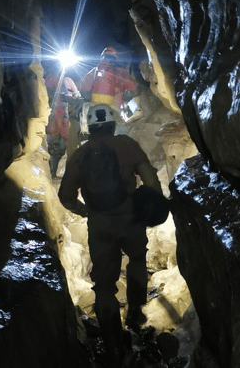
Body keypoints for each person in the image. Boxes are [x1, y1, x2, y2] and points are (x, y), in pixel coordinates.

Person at [58, 104, 162, 366]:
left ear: (89, 128)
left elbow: (66, 197)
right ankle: (135, 314)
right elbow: (150, 179)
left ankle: (113, 345)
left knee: (104, 284)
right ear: (113, 124)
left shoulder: (80, 155)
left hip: (100, 223)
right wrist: (150, 202)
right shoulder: (126, 145)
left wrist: (86, 212)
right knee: (137, 259)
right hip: (130, 217)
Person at [80, 47, 139, 119]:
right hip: (113, 111)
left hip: (94, 108)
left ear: (102, 58)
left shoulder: (94, 71)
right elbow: (136, 91)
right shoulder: (122, 73)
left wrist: (93, 95)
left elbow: (83, 92)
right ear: (116, 59)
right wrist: (123, 93)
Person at [45, 69, 82, 177]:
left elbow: (78, 97)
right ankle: (51, 172)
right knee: (52, 145)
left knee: (62, 145)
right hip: (52, 117)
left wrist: (69, 97)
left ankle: (54, 172)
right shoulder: (48, 77)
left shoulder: (67, 81)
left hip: (63, 118)